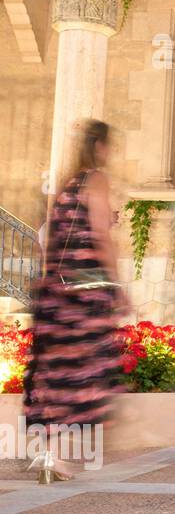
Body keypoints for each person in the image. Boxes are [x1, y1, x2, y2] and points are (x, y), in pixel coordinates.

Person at [24, 120, 123, 482]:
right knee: (87, 371)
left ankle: (50, 455)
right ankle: (62, 453)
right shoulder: (96, 179)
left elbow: (51, 233)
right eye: (110, 146)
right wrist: (118, 283)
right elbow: (99, 235)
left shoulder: (68, 183)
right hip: (83, 291)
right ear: (100, 147)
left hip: (55, 292)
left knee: (54, 373)